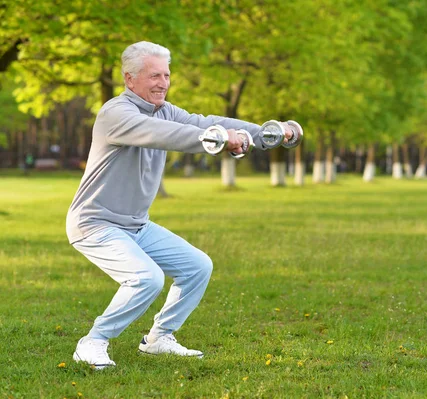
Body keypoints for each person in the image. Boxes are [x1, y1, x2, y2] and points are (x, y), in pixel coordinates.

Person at [66, 41, 293, 370]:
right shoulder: (116, 113)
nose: (163, 83)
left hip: (135, 225)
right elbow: (164, 134)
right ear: (130, 79)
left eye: (167, 75)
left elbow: (202, 122)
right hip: (95, 223)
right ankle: (94, 341)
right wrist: (218, 138)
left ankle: (159, 338)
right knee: (147, 278)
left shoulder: (164, 110)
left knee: (197, 266)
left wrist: (265, 133)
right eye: (153, 75)